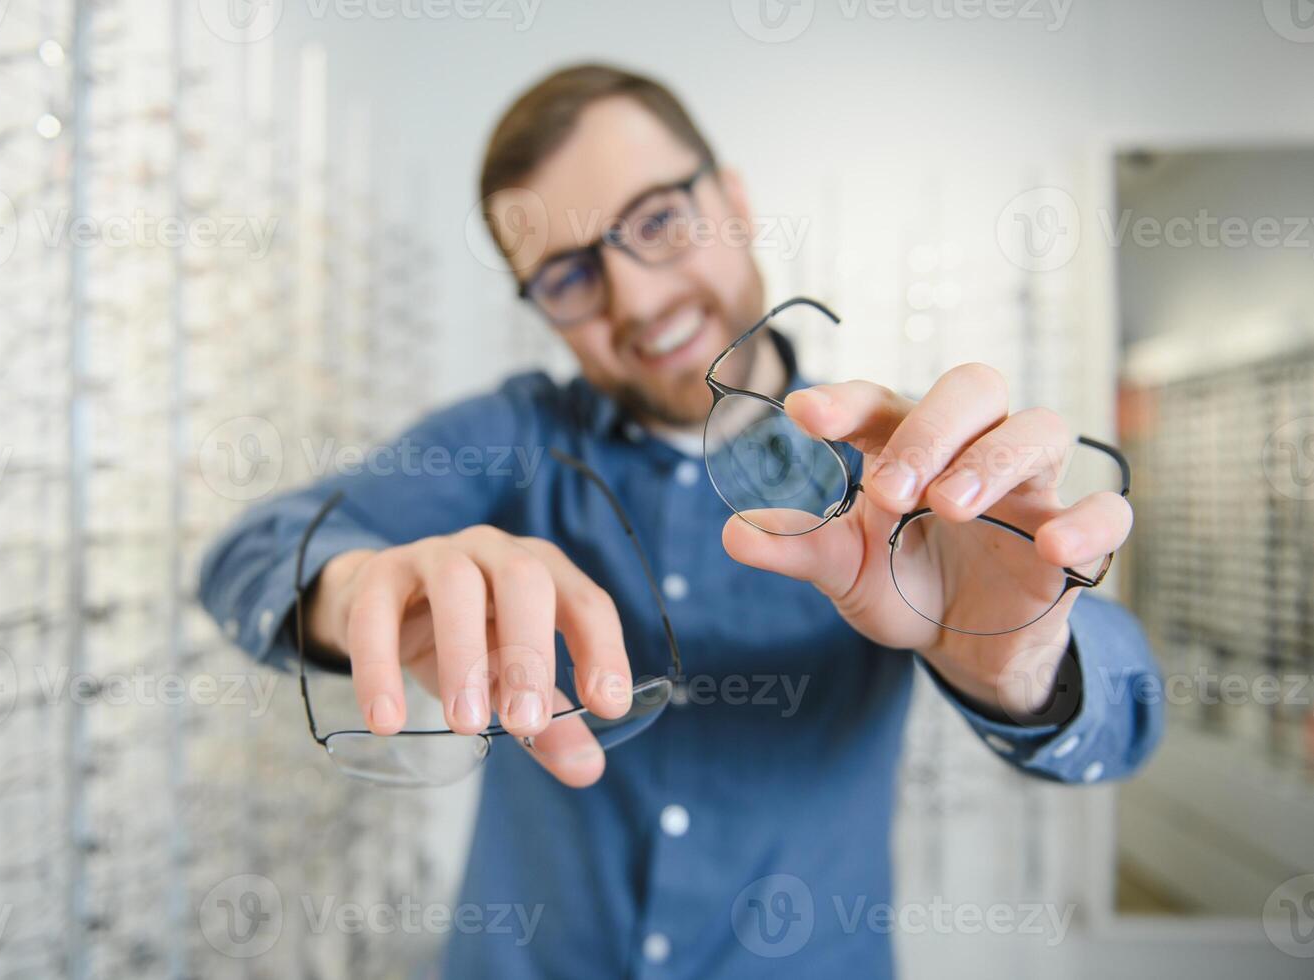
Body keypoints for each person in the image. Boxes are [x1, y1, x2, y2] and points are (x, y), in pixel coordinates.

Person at [198, 63, 1162, 978]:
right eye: (568, 276)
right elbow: (249, 553)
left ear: (734, 203)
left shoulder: (891, 463)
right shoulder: (512, 434)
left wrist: (1017, 664)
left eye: (656, 222)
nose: (639, 298)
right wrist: (357, 589)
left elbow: (1123, 732)